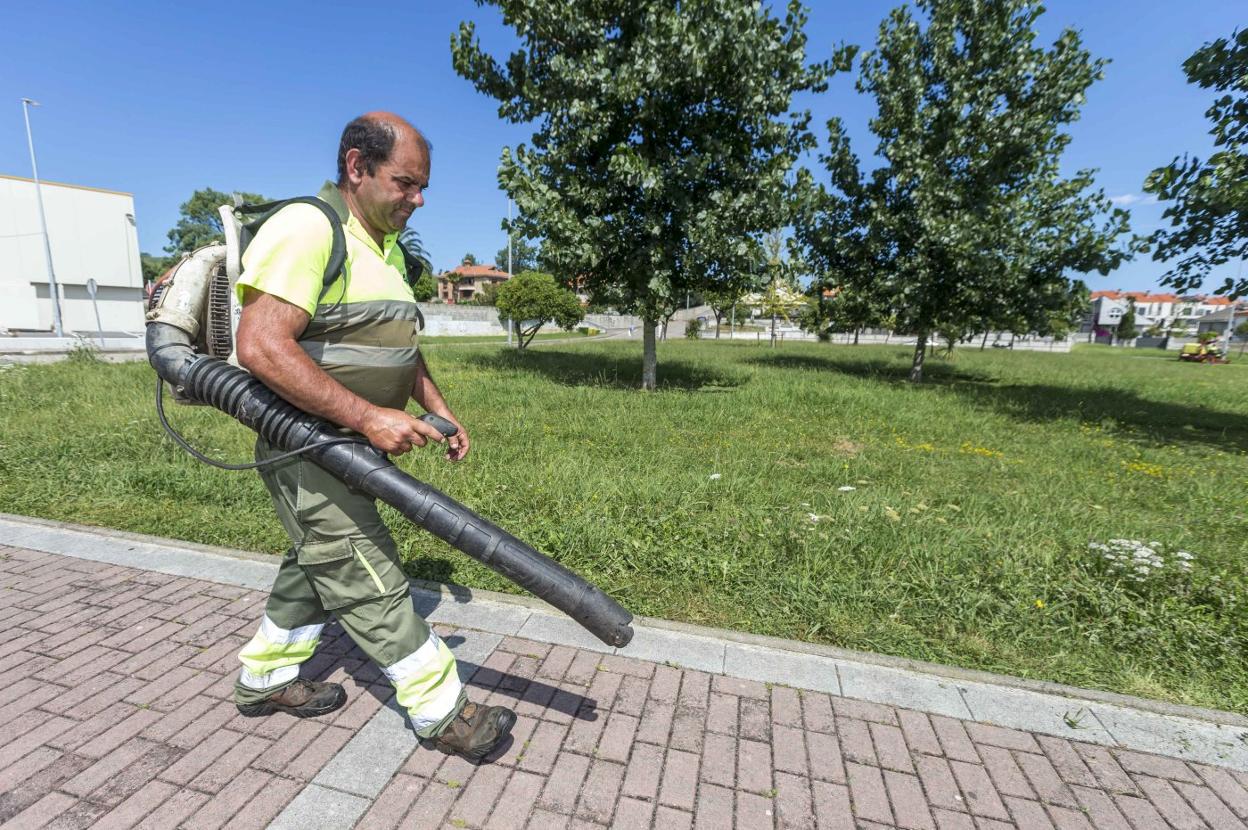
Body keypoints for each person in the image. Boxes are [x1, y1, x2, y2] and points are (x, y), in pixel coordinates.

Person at [229, 112, 515, 760]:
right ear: (357, 167)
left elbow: (399, 349)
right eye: (406, 183)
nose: (417, 199)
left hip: (348, 450)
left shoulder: (386, 250)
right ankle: (446, 714)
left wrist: (440, 409)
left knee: (315, 564)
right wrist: (368, 417)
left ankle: (265, 679)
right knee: (370, 574)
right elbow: (260, 344)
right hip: (308, 447)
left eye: (423, 189)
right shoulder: (309, 229)